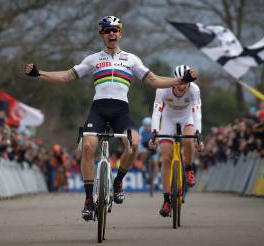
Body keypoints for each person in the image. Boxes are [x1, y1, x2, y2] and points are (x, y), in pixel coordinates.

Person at [25, 16, 197, 221]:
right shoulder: (93, 59)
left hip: (120, 111)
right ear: (102, 35)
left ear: (121, 33)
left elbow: (154, 80)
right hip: (98, 109)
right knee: (88, 147)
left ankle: (118, 181)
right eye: (107, 31)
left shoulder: (131, 59)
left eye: (115, 30)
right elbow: (66, 77)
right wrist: (38, 73)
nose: (112, 33)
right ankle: (89, 200)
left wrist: (182, 80)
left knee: (134, 144)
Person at [149, 64, 204, 217]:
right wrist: (154, 132)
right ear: (175, 80)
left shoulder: (194, 89)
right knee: (166, 158)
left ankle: (188, 168)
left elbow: (197, 113)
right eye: (180, 82)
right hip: (168, 120)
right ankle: (166, 199)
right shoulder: (162, 89)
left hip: (187, 119)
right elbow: (156, 113)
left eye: (185, 83)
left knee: (188, 140)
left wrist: (199, 135)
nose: (182, 86)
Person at [138, 117, 159, 188]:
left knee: (156, 163)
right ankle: (143, 168)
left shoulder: (155, 130)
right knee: (143, 153)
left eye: (149, 125)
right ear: (143, 125)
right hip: (144, 146)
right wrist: (141, 149)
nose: (147, 127)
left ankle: (155, 181)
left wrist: (158, 148)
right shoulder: (141, 130)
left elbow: (158, 140)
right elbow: (139, 142)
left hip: (154, 148)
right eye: (146, 125)